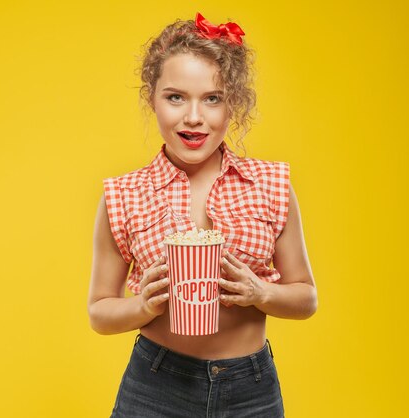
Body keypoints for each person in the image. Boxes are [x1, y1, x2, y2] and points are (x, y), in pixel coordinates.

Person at [88, 12, 317, 418]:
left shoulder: (270, 184)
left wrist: (261, 292)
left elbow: (306, 297)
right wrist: (144, 305)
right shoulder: (123, 194)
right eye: (175, 97)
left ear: (234, 104)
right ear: (152, 99)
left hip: (252, 388)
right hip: (155, 384)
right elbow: (100, 311)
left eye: (212, 98)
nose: (193, 117)